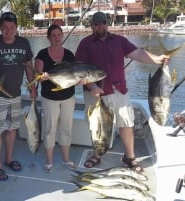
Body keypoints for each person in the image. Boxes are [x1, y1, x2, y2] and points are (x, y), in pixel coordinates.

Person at [75, 11, 170, 172]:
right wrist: (91, 87)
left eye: (103, 22)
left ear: (107, 23)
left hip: (118, 91)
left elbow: (138, 54)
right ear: (92, 26)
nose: (100, 26)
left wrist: (157, 59)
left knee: (126, 124)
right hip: (95, 93)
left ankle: (130, 157)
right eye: (96, 23)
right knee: (96, 126)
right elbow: (78, 69)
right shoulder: (85, 44)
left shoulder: (119, 41)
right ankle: (97, 155)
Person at [0, 12, 37, 181]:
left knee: (11, 129)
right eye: (5, 28)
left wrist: (32, 87)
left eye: (12, 28)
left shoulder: (24, 42)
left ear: (16, 28)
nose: (9, 31)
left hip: (16, 94)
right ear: (0, 28)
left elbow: (28, 66)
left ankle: (9, 159)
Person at [34, 24, 76, 173]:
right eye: (53, 35)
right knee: (50, 128)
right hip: (49, 98)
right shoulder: (42, 54)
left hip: (68, 97)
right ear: (48, 37)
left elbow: (74, 74)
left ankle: (66, 159)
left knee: (66, 128)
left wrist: (82, 79)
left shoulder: (70, 55)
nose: (57, 38)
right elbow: (37, 75)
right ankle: (49, 161)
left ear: (62, 36)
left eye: (59, 35)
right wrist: (42, 76)